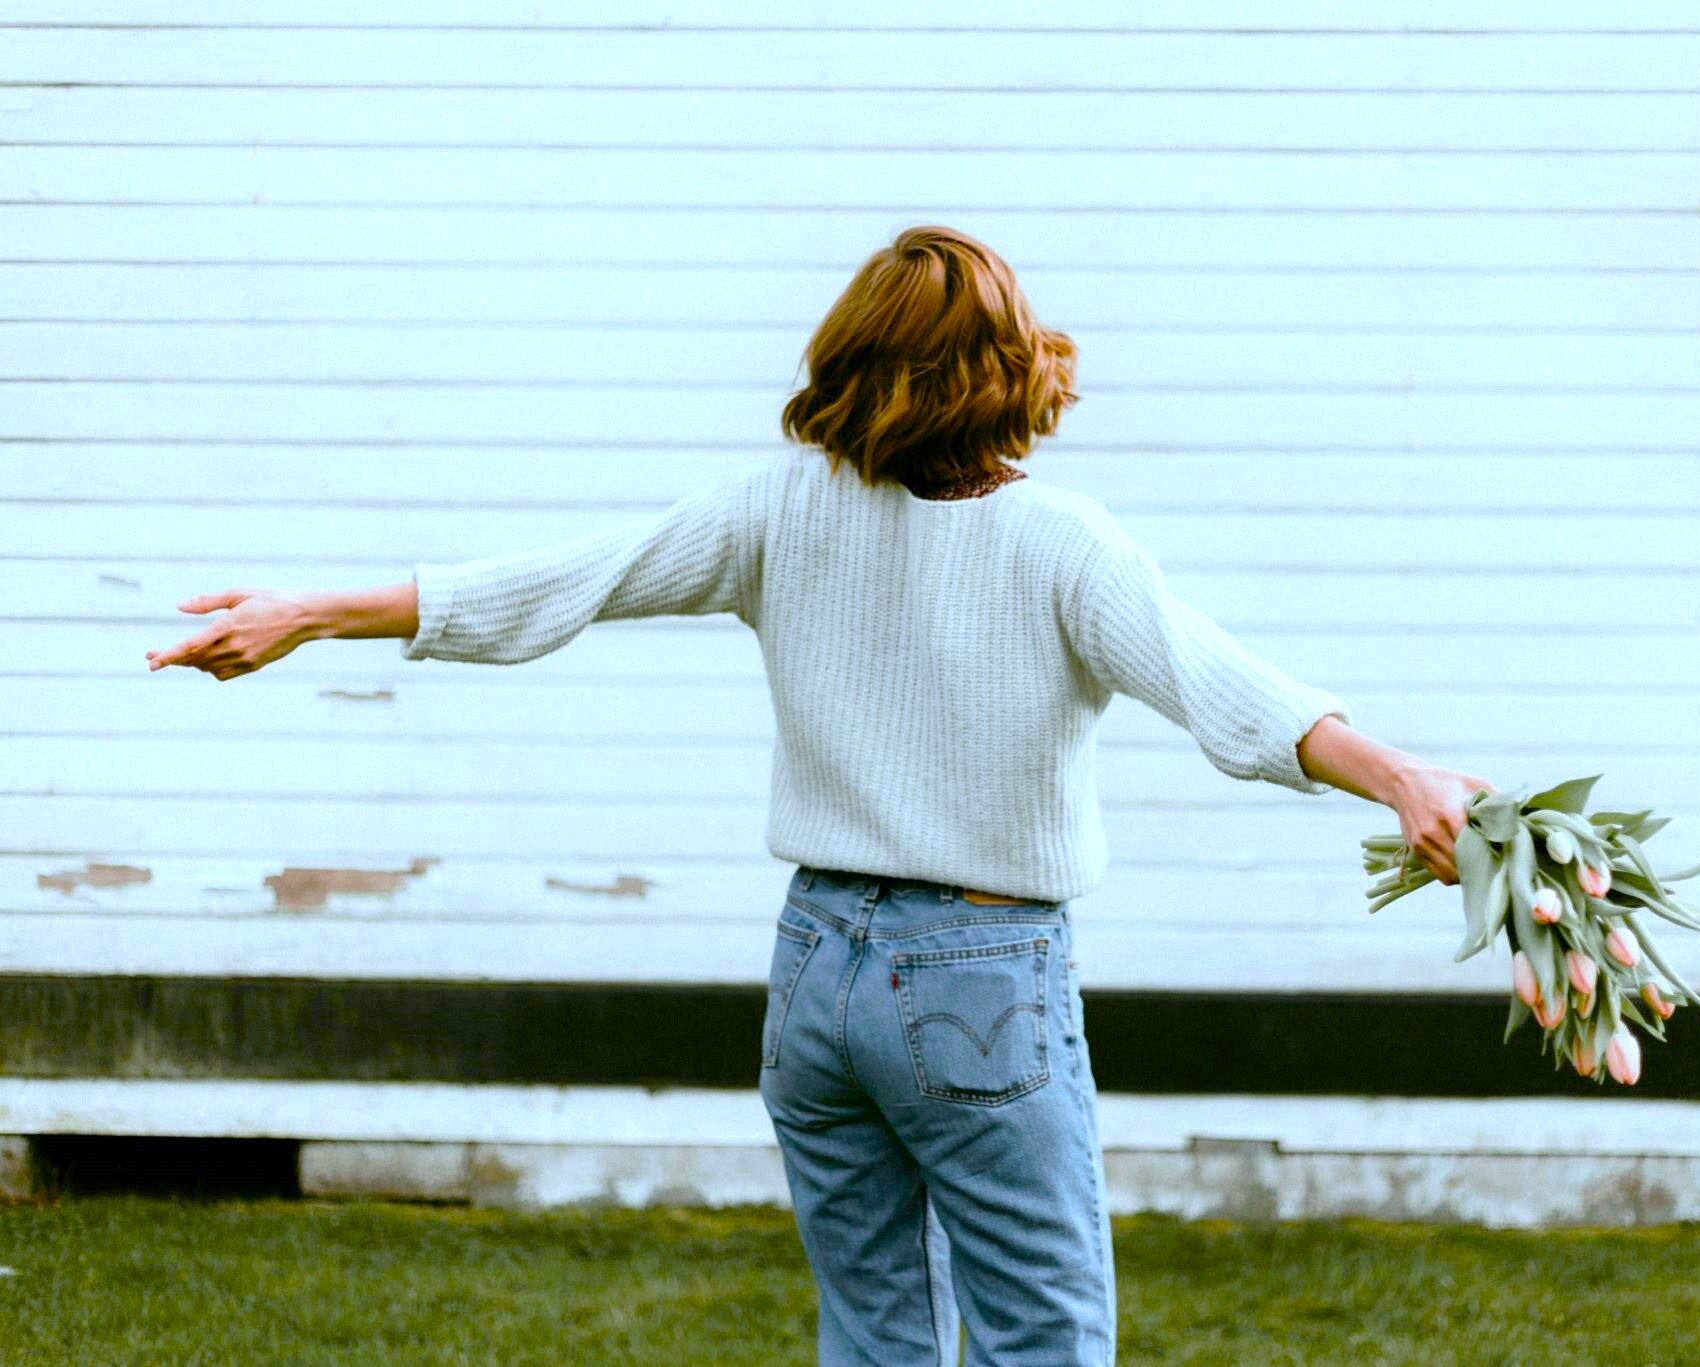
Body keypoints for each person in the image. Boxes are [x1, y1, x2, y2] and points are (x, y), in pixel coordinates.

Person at [145, 224, 1492, 1365]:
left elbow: (558, 584)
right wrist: (1399, 777)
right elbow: (1230, 692)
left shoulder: (777, 510)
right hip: (977, 976)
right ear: (1011, 370)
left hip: (816, 973)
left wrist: (312, 611)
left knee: (874, 1338)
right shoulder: (1059, 543)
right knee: (1044, 1336)